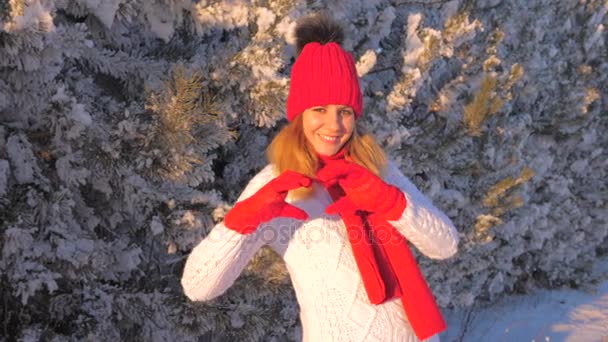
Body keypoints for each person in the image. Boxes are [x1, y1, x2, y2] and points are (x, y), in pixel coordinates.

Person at [181, 13, 459, 342]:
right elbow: (198, 286)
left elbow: (445, 245)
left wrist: (391, 203)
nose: (334, 125)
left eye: (344, 111)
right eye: (319, 110)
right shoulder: (278, 184)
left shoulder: (375, 170)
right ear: (299, 115)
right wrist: (241, 221)